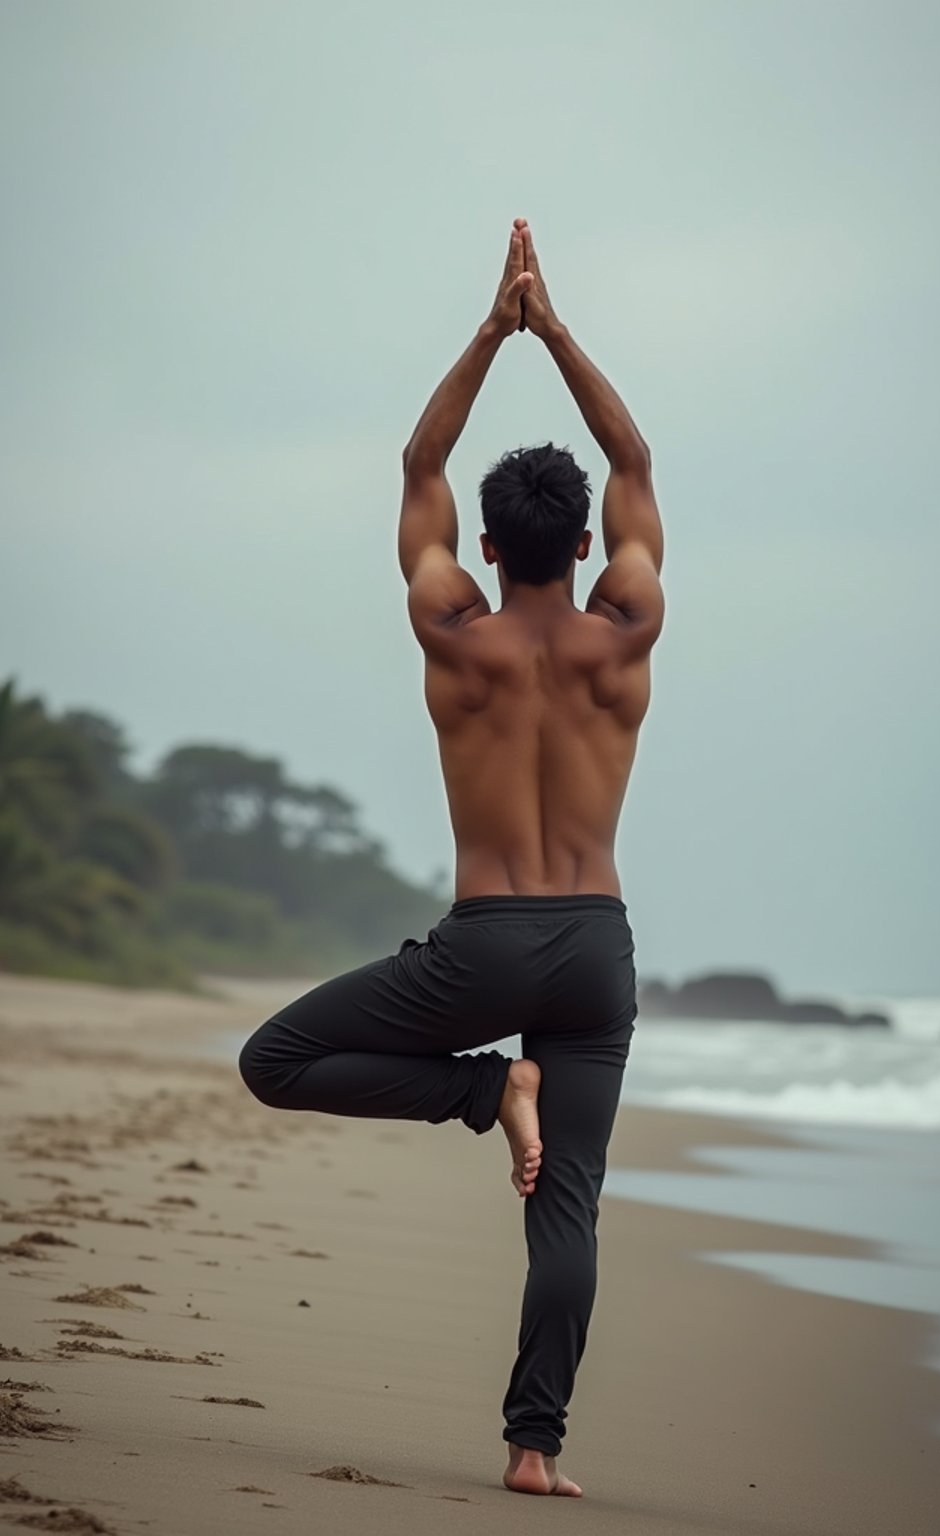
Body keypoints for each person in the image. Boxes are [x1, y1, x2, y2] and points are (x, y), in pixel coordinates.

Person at [238, 217, 664, 1497]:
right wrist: (559, 327)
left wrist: (494, 328)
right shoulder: (626, 631)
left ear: (483, 548)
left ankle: (487, 1096)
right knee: (568, 1210)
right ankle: (534, 1451)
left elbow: (421, 455)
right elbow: (632, 453)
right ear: (586, 546)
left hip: (481, 948)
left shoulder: (450, 633)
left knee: (277, 1059)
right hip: (593, 947)